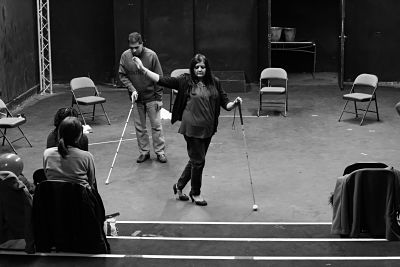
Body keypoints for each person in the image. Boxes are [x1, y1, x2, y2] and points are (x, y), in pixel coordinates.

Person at [133, 53, 242, 206]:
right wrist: (144, 70)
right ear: (192, 68)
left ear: (207, 68)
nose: (199, 70)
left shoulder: (215, 82)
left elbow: (226, 104)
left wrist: (235, 103)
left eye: (202, 67)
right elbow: (163, 80)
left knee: (196, 160)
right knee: (199, 161)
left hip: (208, 128)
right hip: (191, 127)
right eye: (196, 67)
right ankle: (195, 193)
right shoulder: (185, 81)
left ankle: (178, 187)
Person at [118, 32, 167, 163]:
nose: (134, 50)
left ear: (141, 44)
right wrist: (132, 89)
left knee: (156, 126)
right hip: (137, 98)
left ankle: (160, 152)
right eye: (131, 47)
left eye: (136, 47)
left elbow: (159, 77)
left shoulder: (152, 55)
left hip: (152, 97)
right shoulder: (125, 56)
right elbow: (122, 75)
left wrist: (159, 98)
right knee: (140, 127)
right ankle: (144, 152)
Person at [43, 117, 97, 189]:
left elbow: (47, 175)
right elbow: (91, 181)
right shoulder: (86, 156)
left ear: (59, 133)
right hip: (81, 198)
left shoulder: (47, 153)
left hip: (55, 197)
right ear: (79, 136)